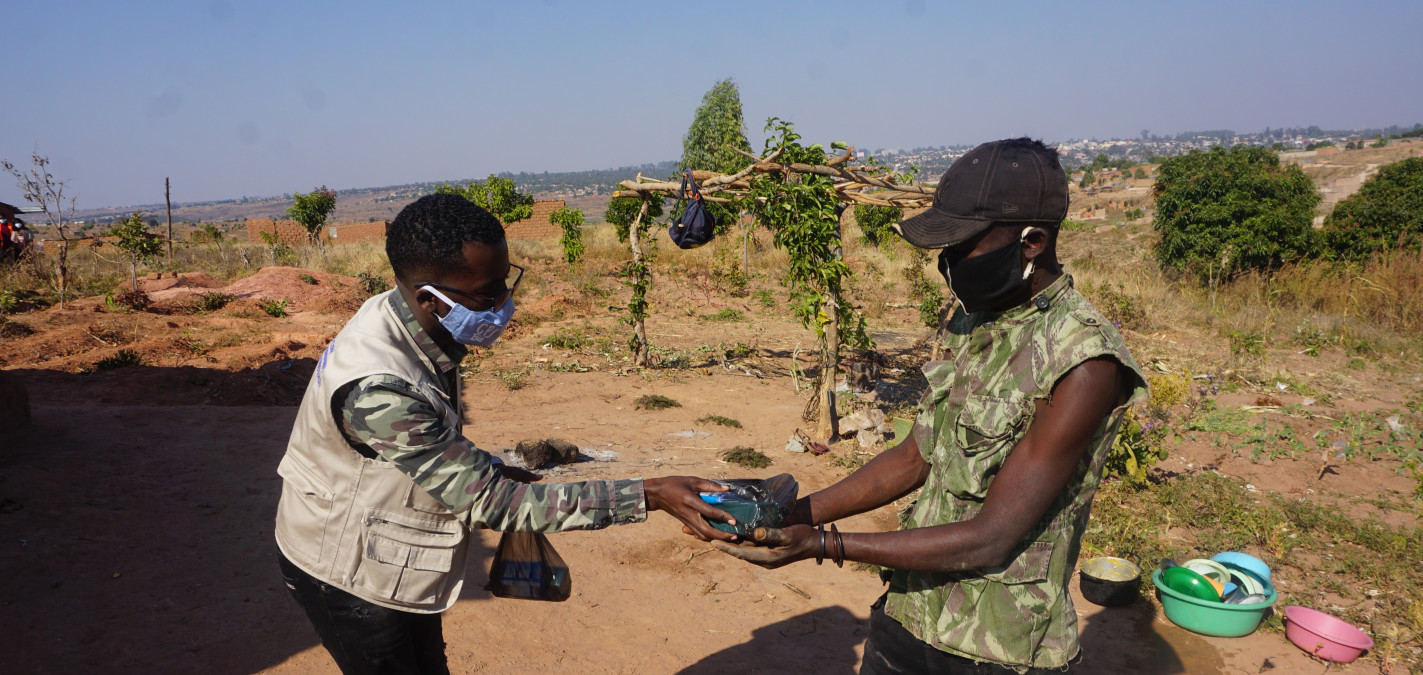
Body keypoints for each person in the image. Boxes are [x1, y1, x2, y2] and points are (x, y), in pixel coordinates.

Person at [716, 139, 1147, 674]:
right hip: (908, 617)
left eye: (962, 245)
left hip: (998, 649)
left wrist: (823, 544)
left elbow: (992, 538)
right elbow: (914, 457)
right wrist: (792, 516)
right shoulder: (975, 322)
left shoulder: (1084, 361)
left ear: (1032, 242)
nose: (948, 262)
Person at [274, 193, 737, 674]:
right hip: (346, 576)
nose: (503, 304)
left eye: (504, 283)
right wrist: (651, 494)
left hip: (382, 551)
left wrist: (487, 468)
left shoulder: (407, 319)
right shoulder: (380, 389)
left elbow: (425, 446)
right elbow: (492, 504)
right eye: (487, 293)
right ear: (430, 298)